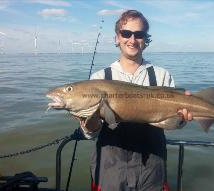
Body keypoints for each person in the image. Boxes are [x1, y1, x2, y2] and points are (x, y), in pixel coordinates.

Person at [78, 10, 192, 191]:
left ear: (146, 40)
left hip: (152, 170)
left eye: (139, 34)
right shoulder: (99, 78)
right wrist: (88, 119)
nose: (132, 39)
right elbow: (91, 133)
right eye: (126, 33)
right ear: (117, 38)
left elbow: (175, 123)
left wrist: (181, 119)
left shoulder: (162, 76)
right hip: (110, 171)